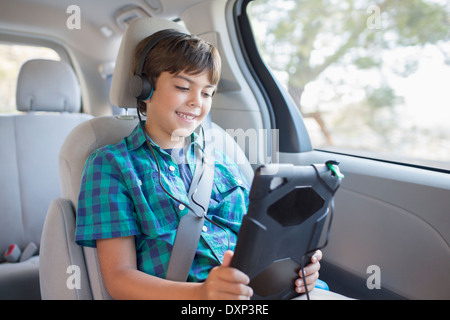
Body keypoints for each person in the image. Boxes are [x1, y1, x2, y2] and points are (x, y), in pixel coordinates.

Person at [75, 30, 323, 300]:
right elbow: (119, 279)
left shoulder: (223, 162)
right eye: (183, 88)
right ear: (143, 89)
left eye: (207, 93)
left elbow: (258, 243)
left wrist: (295, 270)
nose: (196, 102)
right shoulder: (111, 165)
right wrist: (202, 293)